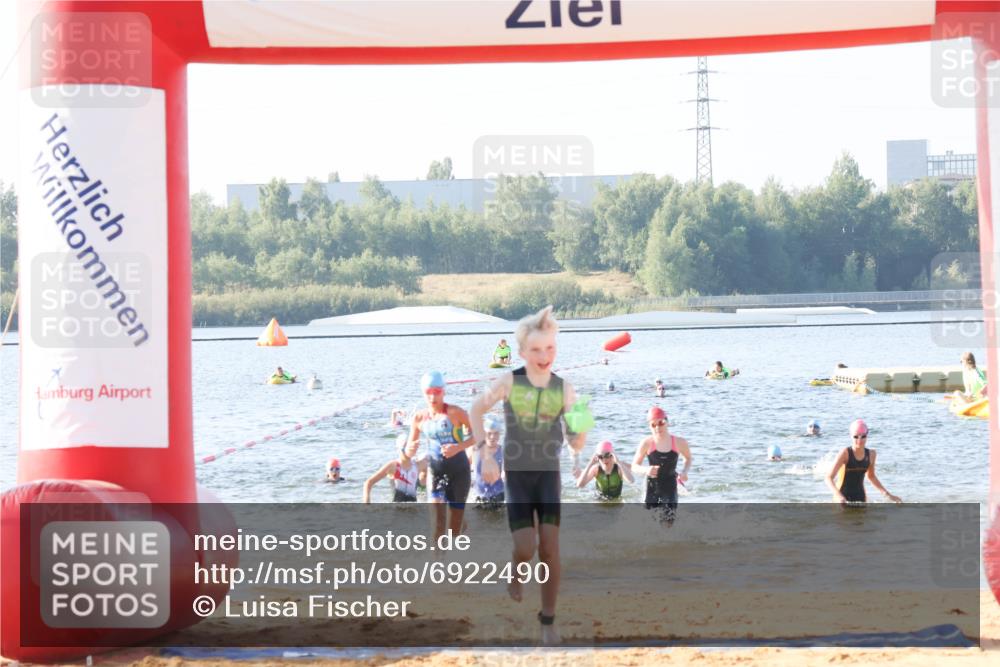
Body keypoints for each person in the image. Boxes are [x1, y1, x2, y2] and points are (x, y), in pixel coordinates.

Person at [469, 305, 590, 645]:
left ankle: (548, 620)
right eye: (536, 349)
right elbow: (476, 409)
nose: (544, 355)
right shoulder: (510, 381)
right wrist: (484, 452)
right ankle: (515, 569)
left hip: (548, 474)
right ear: (522, 352)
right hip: (519, 476)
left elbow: (575, 440)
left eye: (550, 348)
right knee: (526, 547)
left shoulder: (564, 389)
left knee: (550, 549)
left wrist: (581, 429)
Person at [409, 370, 475, 543]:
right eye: (428, 393)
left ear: (444, 391)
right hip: (435, 472)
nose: (432, 397)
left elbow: (478, 435)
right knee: (437, 526)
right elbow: (409, 452)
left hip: (459, 473)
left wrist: (458, 447)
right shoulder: (418, 418)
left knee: (454, 532)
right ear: (423, 393)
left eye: (436, 392)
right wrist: (409, 449)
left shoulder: (455, 412)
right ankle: (436, 567)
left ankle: (461, 528)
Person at [633, 407, 692, 523]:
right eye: (653, 425)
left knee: (669, 523)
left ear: (667, 422)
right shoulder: (647, 443)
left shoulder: (679, 442)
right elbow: (634, 466)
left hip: (670, 485)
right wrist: (646, 470)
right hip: (652, 486)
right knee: (650, 522)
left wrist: (685, 471)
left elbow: (688, 458)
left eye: (661, 423)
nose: (658, 428)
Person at [825, 419, 901, 505]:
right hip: (842, 497)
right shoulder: (845, 453)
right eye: (856, 437)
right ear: (851, 436)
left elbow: (871, 476)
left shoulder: (872, 454)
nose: (859, 440)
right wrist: (838, 495)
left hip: (860, 496)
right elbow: (828, 478)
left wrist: (888, 495)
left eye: (863, 436)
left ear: (867, 435)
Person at [363, 434, 427, 503]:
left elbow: (430, 473)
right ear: (401, 448)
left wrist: (424, 491)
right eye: (409, 446)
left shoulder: (417, 465)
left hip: (413, 509)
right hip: (396, 509)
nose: (413, 448)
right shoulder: (393, 466)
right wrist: (367, 503)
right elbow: (369, 482)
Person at [472, 414, 505, 509]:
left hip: (497, 495)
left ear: (499, 434)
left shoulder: (503, 451)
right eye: (489, 433)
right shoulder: (475, 450)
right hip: (478, 495)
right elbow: (462, 467)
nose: (492, 437)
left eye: (496, 433)